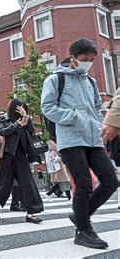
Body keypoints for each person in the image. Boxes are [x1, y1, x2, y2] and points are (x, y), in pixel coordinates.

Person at [41, 38, 117, 249]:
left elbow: (95, 109)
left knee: (111, 181)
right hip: (71, 141)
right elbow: (47, 107)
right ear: (73, 57)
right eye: (85, 59)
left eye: (91, 60)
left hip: (93, 139)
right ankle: (83, 231)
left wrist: (101, 128)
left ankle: (80, 216)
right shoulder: (55, 79)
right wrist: (73, 117)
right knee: (83, 184)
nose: (88, 63)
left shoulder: (90, 81)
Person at [0, 98, 44, 224]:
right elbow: (0, 131)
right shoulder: (3, 118)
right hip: (7, 156)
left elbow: (31, 132)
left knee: (28, 184)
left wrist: (27, 118)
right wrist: (17, 125)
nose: (22, 111)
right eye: (20, 108)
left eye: (24, 108)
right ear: (14, 108)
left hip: (22, 156)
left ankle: (31, 213)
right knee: (4, 185)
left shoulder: (24, 119)